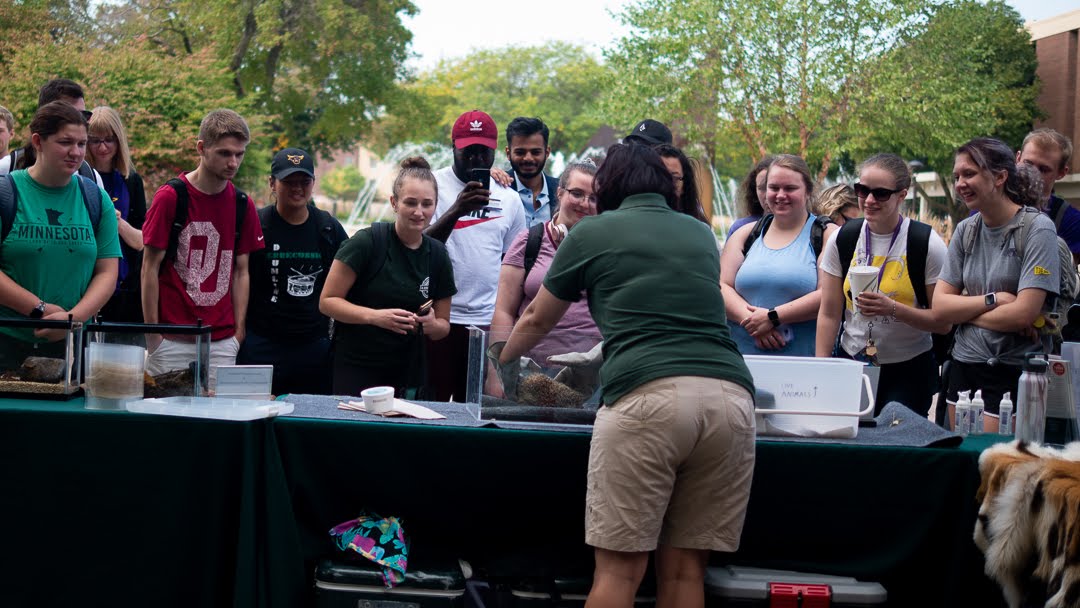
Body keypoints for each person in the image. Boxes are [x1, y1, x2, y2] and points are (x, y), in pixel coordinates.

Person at [498, 143, 755, 608]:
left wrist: (501, 361)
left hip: (647, 398)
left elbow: (537, 317)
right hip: (730, 401)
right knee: (683, 573)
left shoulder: (593, 231)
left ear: (609, 187)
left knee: (619, 572)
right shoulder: (698, 233)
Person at [935, 137, 1060, 432]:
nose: (960, 183)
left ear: (1001, 177)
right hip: (963, 367)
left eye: (969, 173)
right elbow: (940, 307)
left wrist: (963, 314)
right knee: (965, 466)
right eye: (956, 177)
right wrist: (994, 300)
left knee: (997, 467)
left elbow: (1023, 315)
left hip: (1012, 371)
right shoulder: (966, 230)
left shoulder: (1037, 229)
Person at [815, 154, 949, 416]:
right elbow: (829, 312)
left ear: (902, 195)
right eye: (862, 190)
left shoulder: (926, 243)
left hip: (909, 369)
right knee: (851, 445)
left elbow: (943, 322)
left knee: (898, 450)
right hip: (852, 361)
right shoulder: (843, 238)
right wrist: (822, 367)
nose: (869, 200)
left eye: (881, 193)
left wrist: (893, 308)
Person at [141, 109, 263, 382]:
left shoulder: (243, 204)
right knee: (167, 417)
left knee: (220, 421)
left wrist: (238, 333)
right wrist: (153, 336)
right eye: (224, 153)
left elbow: (241, 271)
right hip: (171, 338)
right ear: (201, 148)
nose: (233, 162)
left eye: (239, 154)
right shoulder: (171, 197)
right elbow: (149, 267)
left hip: (222, 340)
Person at [321, 157, 456, 397]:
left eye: (427, 204)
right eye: (410, 203)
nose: (419, 212)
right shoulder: (366, 243)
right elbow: (328, 302)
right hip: (357, 365)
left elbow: (443, 326)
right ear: (394, 203)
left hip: (407, 370)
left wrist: (431, 324)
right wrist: (375, 317)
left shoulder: (437, 255)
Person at [0, 101, 120, 363]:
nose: (76, 152)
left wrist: (73, 318)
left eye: (81, 144)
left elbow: (107, 271)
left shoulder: (96, 199)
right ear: (38, 142)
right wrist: (38, 309)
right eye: (65, 142)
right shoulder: (5, 194)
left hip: (72, 345)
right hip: (7, 341)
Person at [425, 109, 525, 401]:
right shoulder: (432, 185)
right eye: (468, 152)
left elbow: (513, 263)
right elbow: (415, 247)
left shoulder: (509, 198)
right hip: (440, 319)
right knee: (435, 405)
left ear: (495, 151)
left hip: (486, 322)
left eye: (484, 152)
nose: (476, 160)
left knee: (481, 408)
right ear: (453, 148)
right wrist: (457, 210)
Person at [237, 148, 347, 395]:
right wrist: (239, 331)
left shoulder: (328, 228)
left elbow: (351, 279)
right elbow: (238, 278)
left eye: (304, 181)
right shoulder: (257, 224)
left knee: (310, 421)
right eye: (289, 182)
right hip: (262, 345)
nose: (297, 188)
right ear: (272, 184)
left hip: (313, 345)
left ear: (313, 183)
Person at [721, 154, 838, 356]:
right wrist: (754, 323)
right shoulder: (745, 234)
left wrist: (772, 318)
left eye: (790, 188)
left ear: (808, 190)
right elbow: (721, 286)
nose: (780, 195)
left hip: (802, 362)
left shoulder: (827, 235)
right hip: (742, 361)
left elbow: (829, 294)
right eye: (774, 188)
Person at [490, 159, 599, 372]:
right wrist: (497, 373)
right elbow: (503, 311)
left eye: (593, 198)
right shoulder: (530, 241)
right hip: (530, 373)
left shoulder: (607, 248)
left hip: (590, 379)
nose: (585, 204)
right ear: (559, 193)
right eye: (577, 193)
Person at [87, 106, 146, 323]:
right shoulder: (78, 177)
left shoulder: (132, 181)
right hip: (85, 284)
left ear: (119, 140)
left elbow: (141, 241)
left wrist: (117, 221)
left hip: (124, 288)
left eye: (109, 139)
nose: (102, 147)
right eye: (95, 140)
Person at [1, 79, 105, 189]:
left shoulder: (90, 179)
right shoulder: (6, 170)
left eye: (83, 115)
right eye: (65, 142)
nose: (77, 121)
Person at [1016, 128, 1080, 265]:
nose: (1032, 173)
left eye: (1043, 169)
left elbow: (1064, 276)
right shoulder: (988, 207)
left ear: (1062, 173)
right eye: (1028, 164)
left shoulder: (1071, 221)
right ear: (1017, 158)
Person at [504, 117, 559, 228]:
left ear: (547, 152)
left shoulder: (562, 192)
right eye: (520, 152)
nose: (528, 158)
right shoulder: (497, 189)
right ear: (508, 153)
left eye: (535, 152)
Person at [655, 144, 708, 224]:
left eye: (674, 178)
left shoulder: (697, 228)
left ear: (685, 185)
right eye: (660, 177)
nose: (666, 184)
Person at [726, 156, 775, 240]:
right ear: (754, 191)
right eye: (762, 188)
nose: (768, 195)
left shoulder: (804, 229)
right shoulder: (739, 228)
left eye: (774, 187)